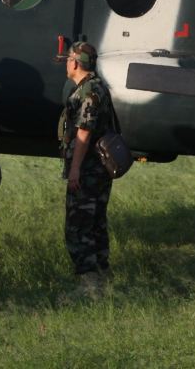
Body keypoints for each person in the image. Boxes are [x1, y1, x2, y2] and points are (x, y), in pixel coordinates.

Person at [57, 41, 115, 299]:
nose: (66, 63)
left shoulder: (89, 92)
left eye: (68, 58)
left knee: (78, 226)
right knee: (95, 223)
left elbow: (84, 133)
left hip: (89, 171)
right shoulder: (97, 87)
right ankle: (103, 277)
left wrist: (75, 170)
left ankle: (89, 285)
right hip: (98, 170)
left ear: (75, 63)